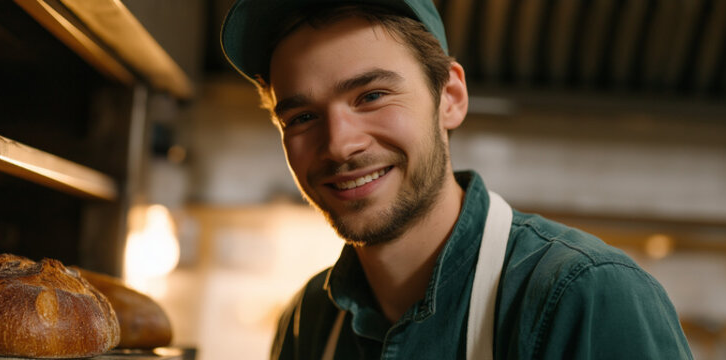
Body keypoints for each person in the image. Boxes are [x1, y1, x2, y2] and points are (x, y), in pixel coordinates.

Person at [219, 0, 693, 359]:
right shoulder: (309, 321)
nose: (340, 145)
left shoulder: (585, 296)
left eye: (372, 95)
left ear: (450, 97)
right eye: (301, 117)